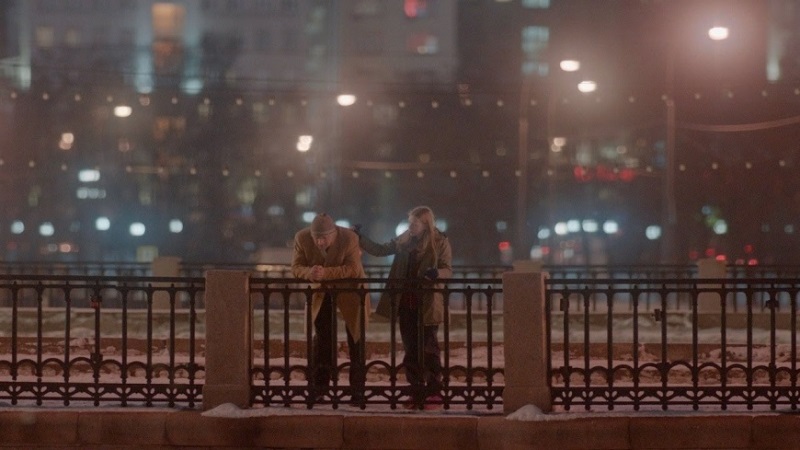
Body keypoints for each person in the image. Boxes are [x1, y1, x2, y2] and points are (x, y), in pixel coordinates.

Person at [354, 206, 452, 410]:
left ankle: (434, 392)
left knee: (429, 349)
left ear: (425, 224)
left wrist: (437, 274)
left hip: (427, 303)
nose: (411, 227)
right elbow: (381, 250)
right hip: (406, 303)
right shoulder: (405, 240)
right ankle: (416, 391)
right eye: (410, 223)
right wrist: (360, 238)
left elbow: (447, 269)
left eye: (414, 223)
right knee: (411, 350)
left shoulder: (439, 241)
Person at [291, 213, 369, 404]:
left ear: (334, 233)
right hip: (322, 291)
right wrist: (309, 273)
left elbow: (352, 268)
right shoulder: (302, 238)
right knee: (323, 338)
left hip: (351, 290)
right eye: (316, 237)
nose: (319, 242)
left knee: (356, 338)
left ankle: (357, 390)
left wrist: (325, 273)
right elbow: (296, 266)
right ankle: (319, 388)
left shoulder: (349, 238)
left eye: (324, 237)